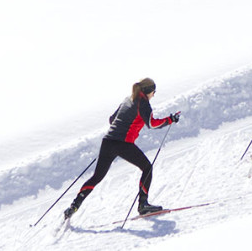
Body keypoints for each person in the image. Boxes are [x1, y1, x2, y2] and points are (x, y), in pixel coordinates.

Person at [64, 78, 180, 219]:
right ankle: (143, 205)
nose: (154, 95)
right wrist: (170, 120)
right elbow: (152, 124)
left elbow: (112, 119)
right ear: (148, 91)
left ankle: (74, 206)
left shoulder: (128, 99)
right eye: (154, 92)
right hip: (123, 143)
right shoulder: (143, 103)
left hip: (108, 141)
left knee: (97, 177)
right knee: (147, 168)